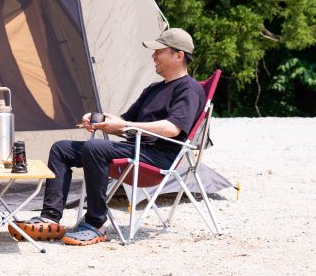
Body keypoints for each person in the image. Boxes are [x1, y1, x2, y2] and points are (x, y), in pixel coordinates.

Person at [21, 27, 208, 246]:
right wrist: (101, 121)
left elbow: (172, 128)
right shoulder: (153, 89)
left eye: (159, 51)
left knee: (95, 149)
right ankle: (50, 218)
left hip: (158, 157)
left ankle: (95, 223)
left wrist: (125, 124)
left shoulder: (189, 89)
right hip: (136, 149)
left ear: (179, 55)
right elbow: (124, 124)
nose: (153, 55)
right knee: (61, 148)